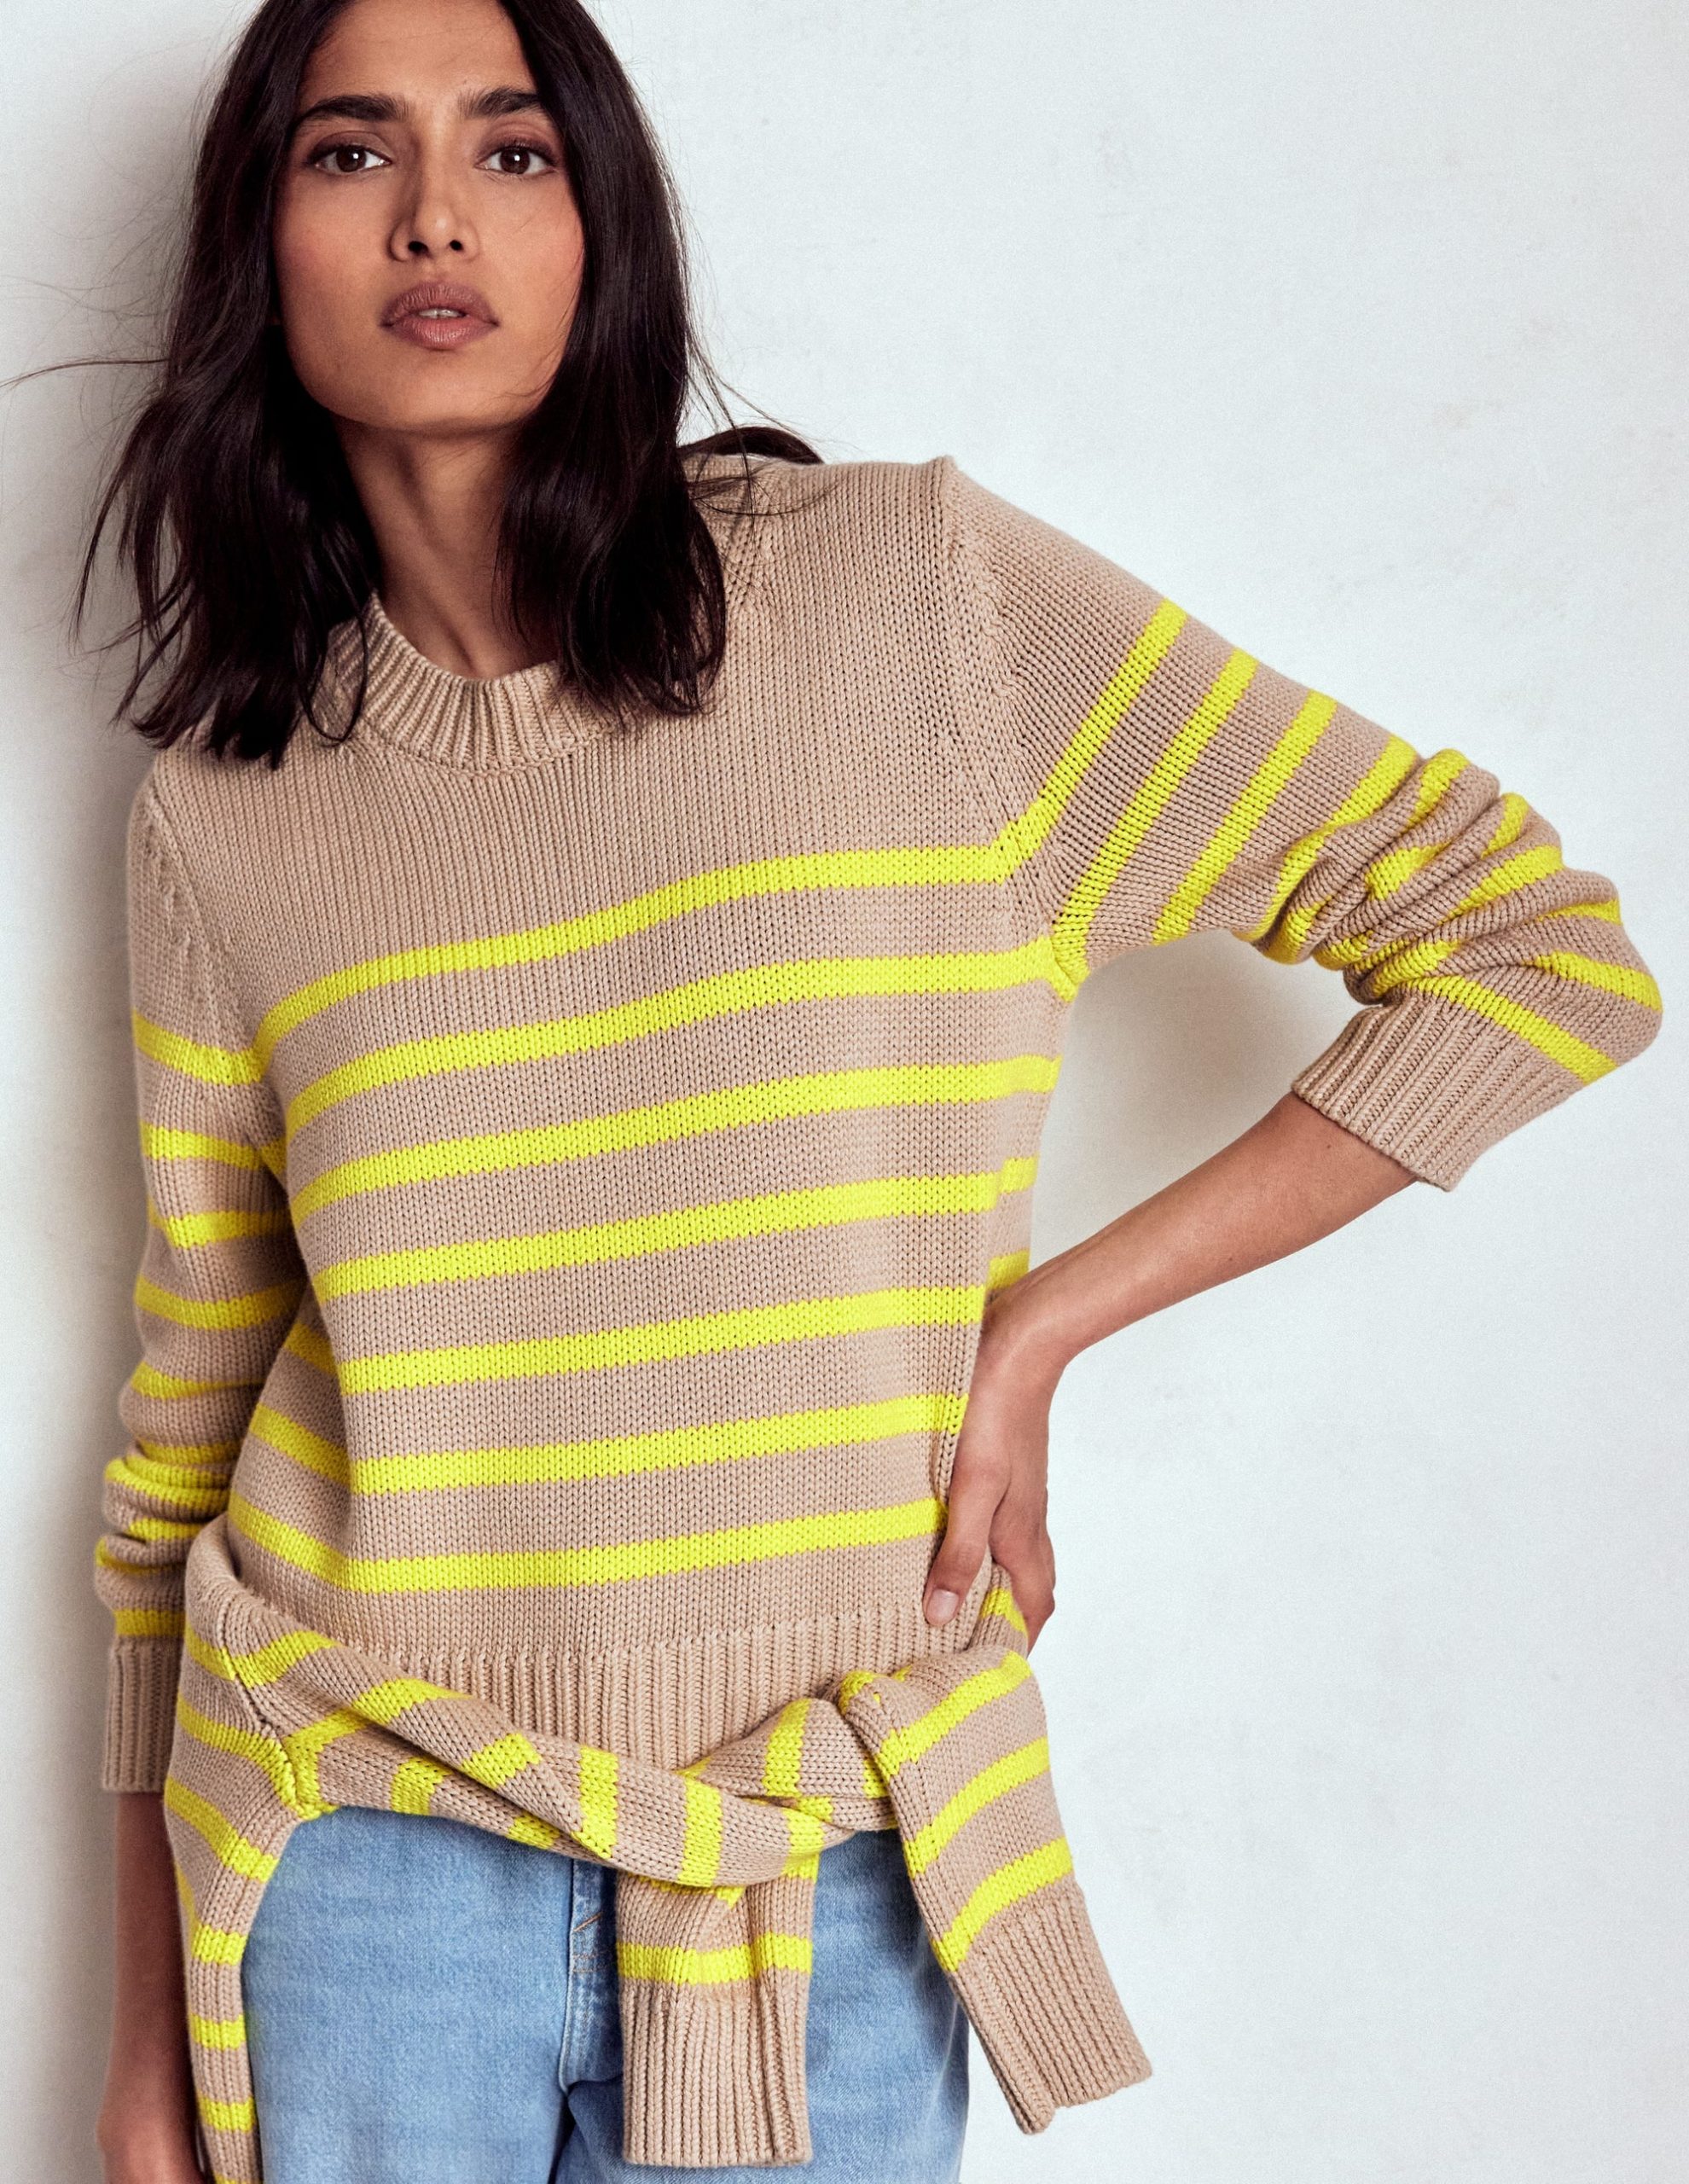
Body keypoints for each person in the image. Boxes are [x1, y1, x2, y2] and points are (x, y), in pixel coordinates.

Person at [82, 0, 1661, 2180]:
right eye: (350, 152)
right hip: (356, 1865)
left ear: (605, 225)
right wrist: (145, 2031)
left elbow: (1529, 944)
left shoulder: (912, 604)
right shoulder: (227, 814)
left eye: (515, 151)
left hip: (815, 1865)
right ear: (256, 245)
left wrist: (1042, 1327)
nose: (437, 214)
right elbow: (180, 1447)